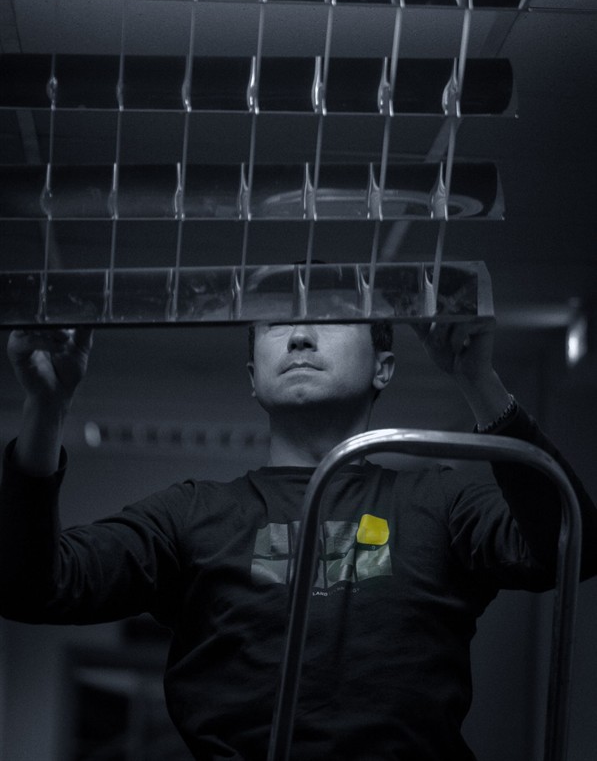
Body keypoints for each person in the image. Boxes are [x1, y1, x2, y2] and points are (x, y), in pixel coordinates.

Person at [0, 320, 596, 761]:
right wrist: (46, 407)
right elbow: (31, 586)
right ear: (252, 378)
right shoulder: (194, 514)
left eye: (330, 317)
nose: (301, 338)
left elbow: (576, 548)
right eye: (276, 324)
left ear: (384, 367)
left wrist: (478, 380)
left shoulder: (439, 501)